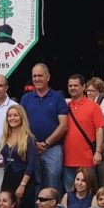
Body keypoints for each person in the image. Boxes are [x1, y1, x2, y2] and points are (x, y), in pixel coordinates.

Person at [19, 63, 69, 194]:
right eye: (34, 76)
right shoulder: (26, 98)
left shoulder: (58, 97)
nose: (37, 79)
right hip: (31, 149)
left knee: (53, 186)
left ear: (48, 77)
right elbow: (21, 124)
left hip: (53, 149)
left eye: (40, 76)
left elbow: (63, 125)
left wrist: (46, 143)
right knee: (34, 187)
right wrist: (34, 144)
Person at [63, 74, 104, 190]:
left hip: (87, 160)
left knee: (88, 193)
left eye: (76, 85)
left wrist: (98, 152)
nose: (72, 88)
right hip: (67, 160)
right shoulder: (64, 106)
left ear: (83, 87)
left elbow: (100, 129)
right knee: (70, 194)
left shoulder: (93, 106)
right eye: (70, 85)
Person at [0, 104, 39, 208]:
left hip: (24, 180)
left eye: (15, 115)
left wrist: (22, 185)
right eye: (9, 115)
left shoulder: (29, 138)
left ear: (22, 117)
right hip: (8, 178)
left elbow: (31, 164)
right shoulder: (5, 136)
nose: (12, 118)